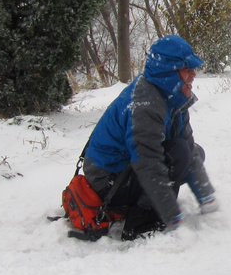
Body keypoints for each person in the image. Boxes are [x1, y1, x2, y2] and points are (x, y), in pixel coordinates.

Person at [83, 35, 218, 239]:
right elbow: (147, 163)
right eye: (187, 69)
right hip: (107, 178)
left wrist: (206, 197)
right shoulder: (145, 104)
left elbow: (189, 147)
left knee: (193, 152)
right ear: (169, 73)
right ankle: (142, 220)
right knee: (178, 155)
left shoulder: (173, 97)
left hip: (126, 169)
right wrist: (171, 216)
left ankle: (151, 205)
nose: (193, 75)